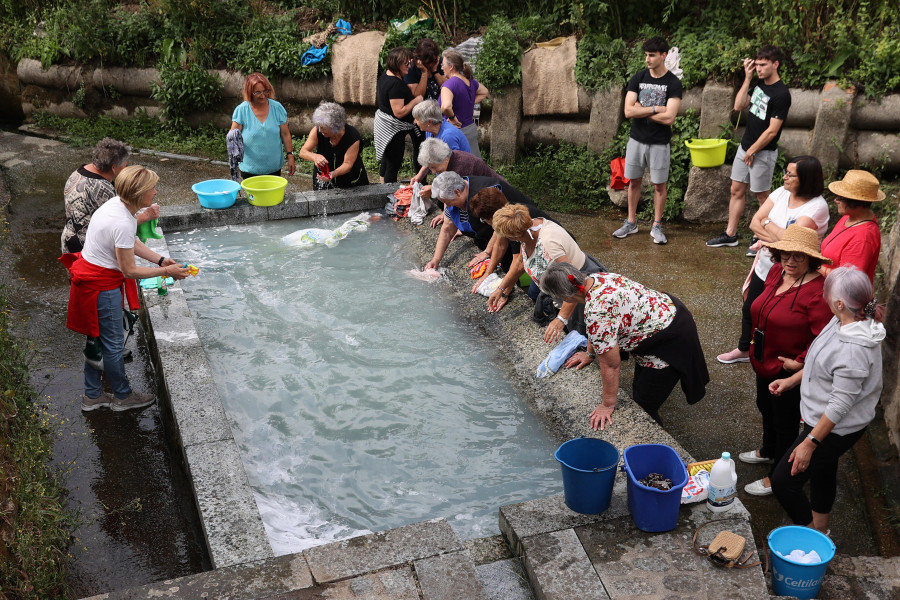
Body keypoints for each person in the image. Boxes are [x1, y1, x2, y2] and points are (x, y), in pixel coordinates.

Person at [59, 166, 189, 412]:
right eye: (152, 188)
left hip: (92, 279)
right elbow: (129, 270)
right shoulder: (122, 221)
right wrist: (166, 272)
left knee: (97, 340)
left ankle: (92, 395)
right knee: (113, 344)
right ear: (140, 194)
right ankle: (122, 396)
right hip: (101, 287)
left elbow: (131, 243)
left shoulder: (117, 206)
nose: (155, 191)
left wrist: (160, 260)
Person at [769, 267, 884, 534]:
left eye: (826, 291)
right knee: (822, 472)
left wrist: (810, 443)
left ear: (840, 302)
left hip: (833, 428)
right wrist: (792, 380)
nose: (822, 293)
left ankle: (811, 538)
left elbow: (840, 405)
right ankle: (821, 530)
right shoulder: (846, 318)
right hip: (821, 420)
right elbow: (821, 362)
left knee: (784, 482)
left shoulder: (854, 349)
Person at [538, 261, 709, 429]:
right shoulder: (597, 279)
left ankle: (652, 444)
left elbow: (611, 364)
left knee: (644, 407)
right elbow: (598, 330)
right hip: (670, 312)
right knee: (640, 387)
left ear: (565, 297)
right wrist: (590, 354)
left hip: (668, 343)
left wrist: (607, 404)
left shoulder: (597, 311)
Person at [740, 225, 833, 496]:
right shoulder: (774, 271)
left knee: (785, 422)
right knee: (764, 406)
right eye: (785, 254)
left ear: (811, 259)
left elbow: (823, 337)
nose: (790, 261)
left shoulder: (818, 291)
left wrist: (801, 362)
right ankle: (769, 451)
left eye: (799, 257)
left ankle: (777, 475)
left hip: (786, 369)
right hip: (762, 358)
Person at [717, 156, 829, 364]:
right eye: (786, 172)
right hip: (766, 266)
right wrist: (778, 235)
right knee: (751, 308)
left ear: (806, 179)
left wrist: (767, 224)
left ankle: (776, 354)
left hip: (793, 270)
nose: (784, 177)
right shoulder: (781, 192)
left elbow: (790, 240)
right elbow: (753, 223)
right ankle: (744, 349)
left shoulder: (817, 207)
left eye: (790, 174)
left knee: (782, 317)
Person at [707, 46, 791, 250]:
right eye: (757, 64)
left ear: (776, 64)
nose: (759, 68)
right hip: (745, 148)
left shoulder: (782, 94)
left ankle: (761, 237)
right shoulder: (759, 85)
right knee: (736, 190)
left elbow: (772, 131)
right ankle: (731, 234)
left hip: (762, 152)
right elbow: (738, 105)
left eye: (763, 65)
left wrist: (753, 150)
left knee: (763, 196)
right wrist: (747, 78)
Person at [491, 203, 606, 342]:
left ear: (515, 236)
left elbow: (574, 283)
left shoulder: (548, 246)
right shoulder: (532, 226)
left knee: (590, 336)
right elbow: (521, 262)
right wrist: (501, 289)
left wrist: (561, 319)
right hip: (564, 291)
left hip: (580, 292)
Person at [612, 37, 683, 245]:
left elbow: (669, 118)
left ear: (664, 55)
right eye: (646, 55)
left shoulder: (673, 83)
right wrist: (654, 109)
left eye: (652, 55)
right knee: (633, 182)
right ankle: (631, 222)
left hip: (660, 142)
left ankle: (657, 225)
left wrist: (640, 111)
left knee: (659, 185)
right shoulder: (638, 78)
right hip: (636, 140)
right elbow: (627, 111)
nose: (647, 59)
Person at [425, 172, 548, 274]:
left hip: (519, 231)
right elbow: (447, 229)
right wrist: (436, 259)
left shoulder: (486, 195)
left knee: (513, 265)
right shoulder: (453, 198)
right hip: (495, 234)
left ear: (457, 192)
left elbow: (499, 227)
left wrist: (487, 252)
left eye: (448, 201)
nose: (449, 205)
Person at [62, 138, 155, 254]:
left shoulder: (79, 171)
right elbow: (118, 226)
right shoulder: (102, 189)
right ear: (113, 168)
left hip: (68, 239)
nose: (125, 169)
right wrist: (146, 216)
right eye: (124, 166)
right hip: (85, 248)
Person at [819, 169, 885, 282]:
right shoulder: (849, 216)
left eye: (841, 198)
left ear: (856, 202)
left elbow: (847, 280)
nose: (836, 200)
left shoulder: (863, 238)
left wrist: (815, 265)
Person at [229, 73, 295, 178]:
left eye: (266, 91)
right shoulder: (242, 110)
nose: (263, 95)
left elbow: (285, 134)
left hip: (273, 168)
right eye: (258, 92)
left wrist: (290, 156)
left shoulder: (277, 108)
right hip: (250, 169)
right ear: (249, 92)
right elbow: (232, 137)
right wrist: (235, 159)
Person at [375, 47, 423, 183]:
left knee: (387, 160)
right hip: (393, 130)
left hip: (386, 127)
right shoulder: (395, 84)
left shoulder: (386, 75)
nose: (409, 67)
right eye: (406, 64)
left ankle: (382, 189)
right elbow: (399, 112)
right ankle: (389, 196)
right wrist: (416, 100)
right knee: (393, 164)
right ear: (397, 63)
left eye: (410, 63)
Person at [297, 101, 368, 190]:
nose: (319, 130)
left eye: (323, 127)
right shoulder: (316, 131)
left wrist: (333, 174)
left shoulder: (352, 137)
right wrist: (314, 157)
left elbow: (347, 164)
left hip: (350, 180)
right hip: (322, 176)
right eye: (319, 126)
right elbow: (303, 152)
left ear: (335, 127)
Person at [411, 138, 505, 202]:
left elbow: (459, 196)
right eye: (430, 168)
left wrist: (434, 189)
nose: (433, 172)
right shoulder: (447, 156)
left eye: (434, 167)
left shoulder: (461, 168)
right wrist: (420, 175)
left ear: (445, 159)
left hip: (497, 194)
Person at [405, 38, 447, 171]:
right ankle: (420, 181)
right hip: (420, 117)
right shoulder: (412, 68)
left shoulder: (439, 63)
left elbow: (447, 87)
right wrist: (424, 73)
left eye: (435, 60)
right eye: (429, 63)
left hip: (438, 116)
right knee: (420, 147)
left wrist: (435, 71)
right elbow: (418, 95)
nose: (432, 64)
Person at [439, 49, 488, 158]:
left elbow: (446, 107)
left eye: (443, 65)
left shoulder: (449, 84)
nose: (441, 68)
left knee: (456, 168)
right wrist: (468, 102)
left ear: (451, 66)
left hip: (455, 132)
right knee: (474, 165)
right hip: (470, 129)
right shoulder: (470, 81)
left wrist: (452, 117)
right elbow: (484, 92)